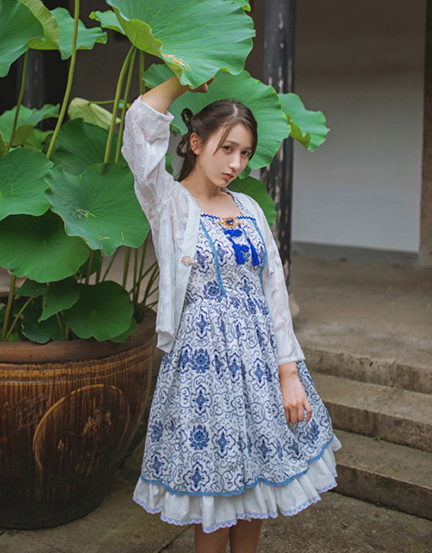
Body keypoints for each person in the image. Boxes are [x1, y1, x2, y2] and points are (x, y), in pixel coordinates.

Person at [121, 75, 341, 553]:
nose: (236, 164)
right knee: (216, 488)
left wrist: (289, 372)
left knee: (259, 480)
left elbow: (274, 289)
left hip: (259, 360)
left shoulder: (247, 207)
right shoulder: (169, 202)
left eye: (244, 153)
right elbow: (139, 127)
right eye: (227, 149)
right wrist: (182, 78)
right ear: (196, 143)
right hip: (204, 365)